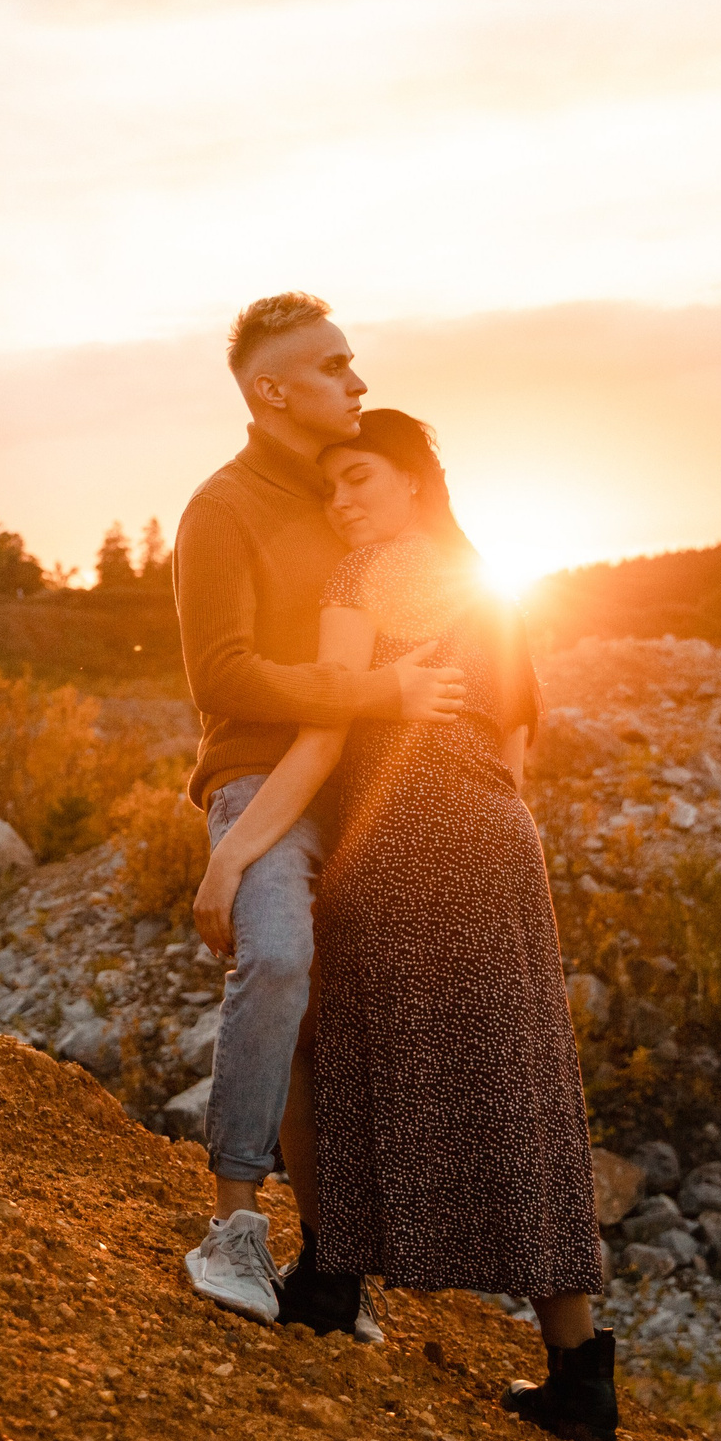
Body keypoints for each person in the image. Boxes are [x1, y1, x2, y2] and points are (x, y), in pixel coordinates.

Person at [191, 407, 617, 1441]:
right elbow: (516, 749)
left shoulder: (358, 581)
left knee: (357, 1054)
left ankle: (334, 1278)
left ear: (415, 485)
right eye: (331, 487)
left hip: (410, 839)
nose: (342, 504)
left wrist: (233, 850)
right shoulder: (490, 590)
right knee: (523, 1092)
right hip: (504, 846)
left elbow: (326, 737)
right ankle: (579, 1376)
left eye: (361, 482)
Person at [172, 294, 464, 1329]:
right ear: (271, 390)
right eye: (335, 365)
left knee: (341, 1030)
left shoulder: (352, 497)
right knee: (280, 959)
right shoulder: (222, 510)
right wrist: (370, 696)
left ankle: (333, 1265)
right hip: (265, 784)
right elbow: (223, 677)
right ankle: (232, 1228)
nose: (357, 381)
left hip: (371, 791)